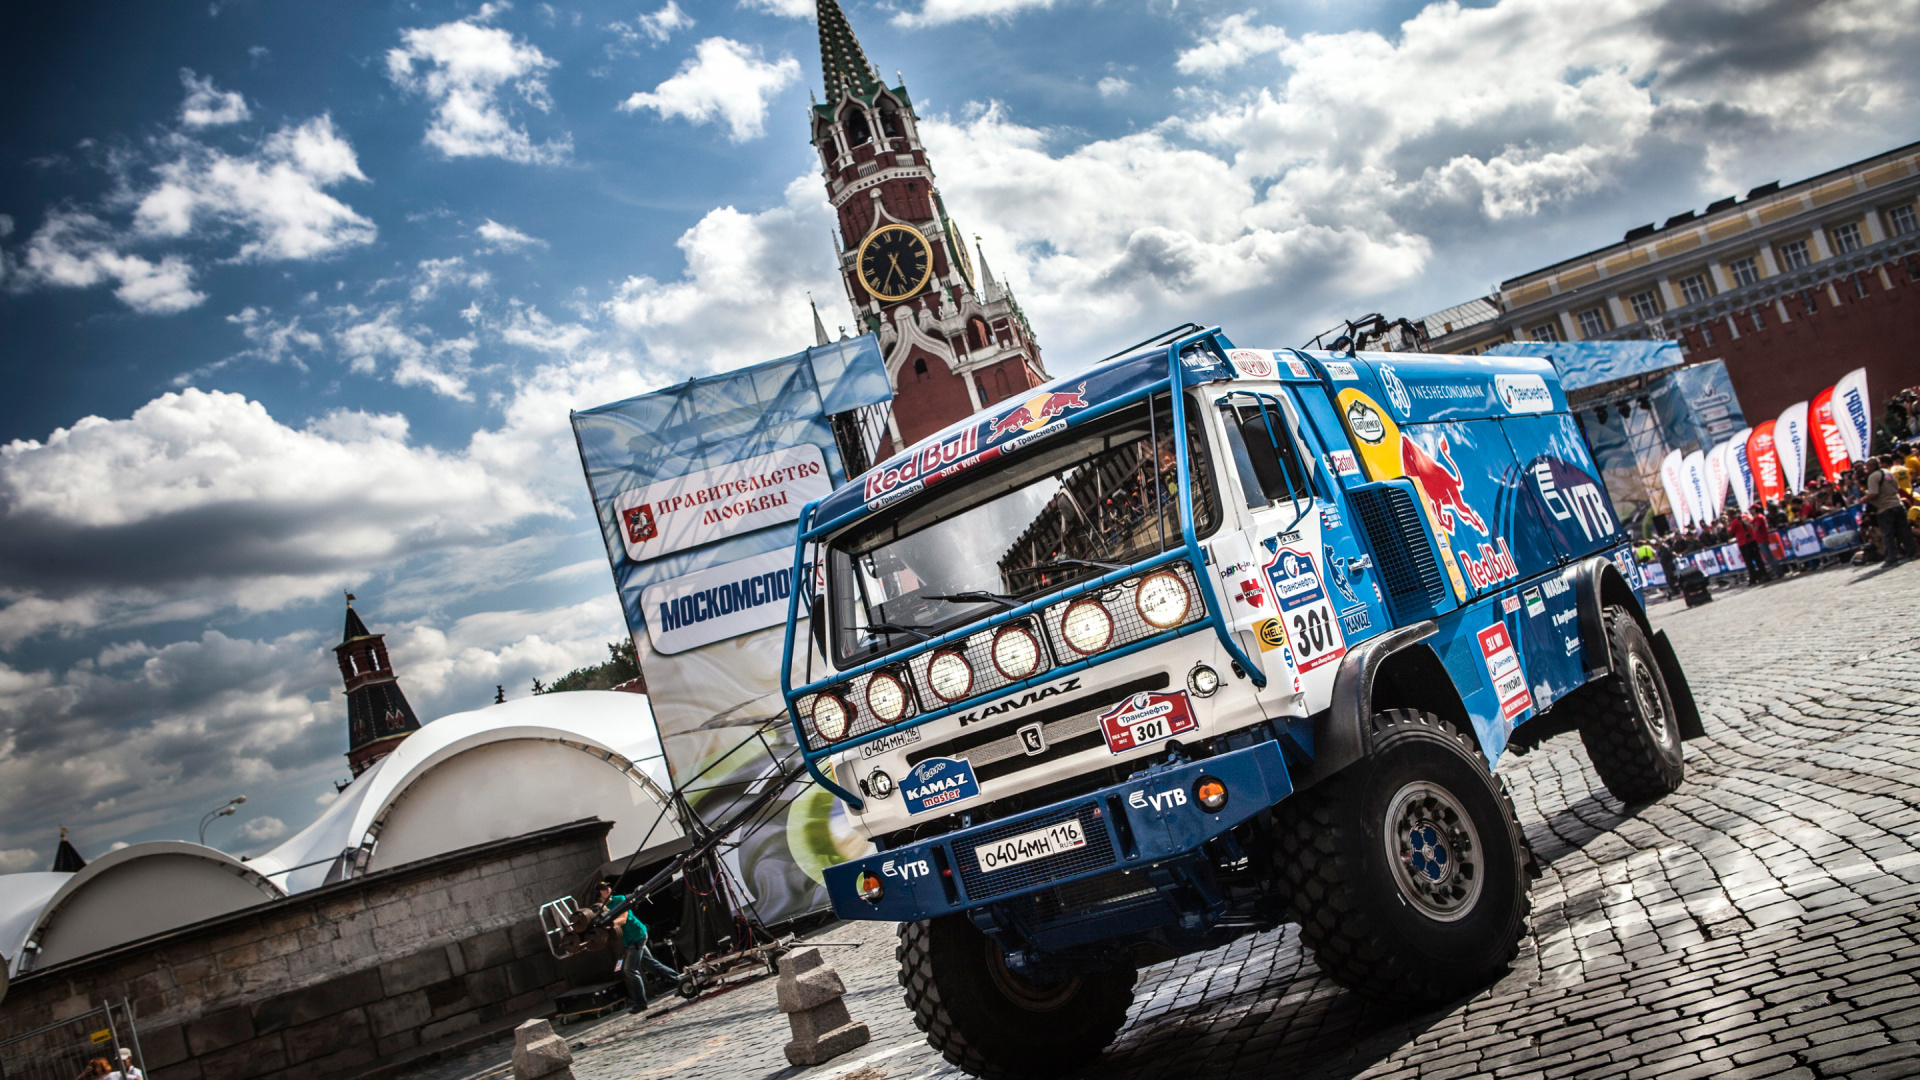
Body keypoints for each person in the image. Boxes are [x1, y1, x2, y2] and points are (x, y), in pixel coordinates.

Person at [597, 882, 680, 1014]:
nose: (607, 889)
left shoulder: (620, 899)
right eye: (603, 889)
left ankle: (641, 1003)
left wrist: (605, 924)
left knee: (630, 970)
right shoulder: (601, 908)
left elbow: (623, 919)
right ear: (599, 893)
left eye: (608, 886)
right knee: (651, 965)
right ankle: (680, 979)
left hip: (637, 935)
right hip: (629, 939)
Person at [1864, 453, 1916, 567]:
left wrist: (1864, 499)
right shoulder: (1888, 472)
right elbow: (1897, 488)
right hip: (1898, 504)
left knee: (1887, 534)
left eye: (1867, 467)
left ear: (1871, 466)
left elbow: (1874, 494)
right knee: (1904, 531)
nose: (1866, 469)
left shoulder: (1873, 476)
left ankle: (1891, 558)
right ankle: (1911, 552)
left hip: (1885, 508)